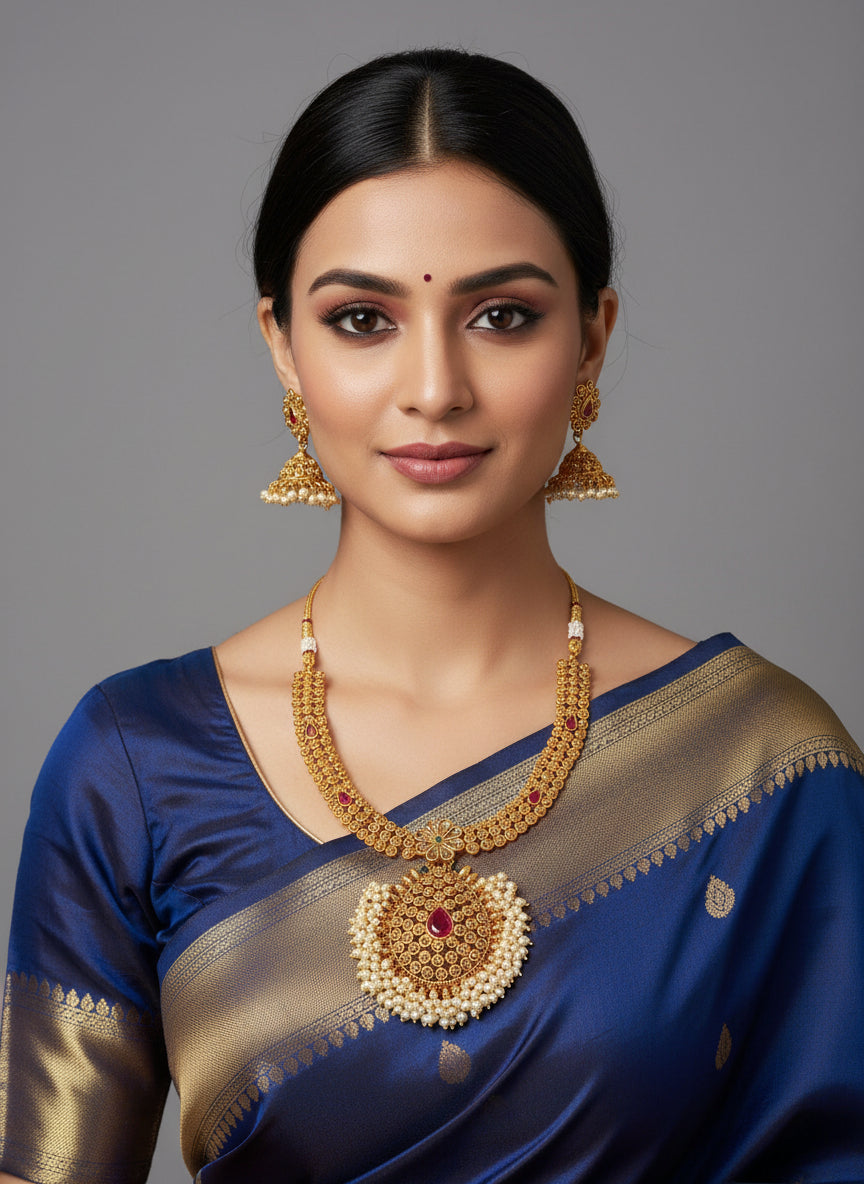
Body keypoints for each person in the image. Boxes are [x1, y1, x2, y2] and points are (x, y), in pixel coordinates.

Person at [1, 47, 862, 1184]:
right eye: (362, 319)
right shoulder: (133, 761)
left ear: (594, 335)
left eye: (502, 314)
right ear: (283, 346)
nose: (435, 386)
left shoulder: (763, 764)